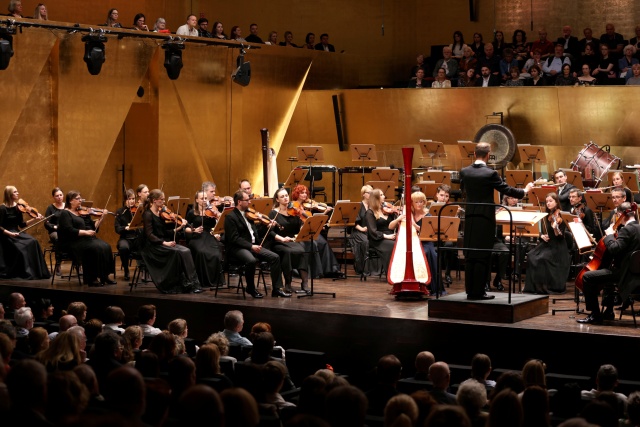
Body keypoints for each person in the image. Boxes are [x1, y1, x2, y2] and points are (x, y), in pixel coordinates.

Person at [461, 142, 532, 300]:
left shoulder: (464, 172)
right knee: (483, 255)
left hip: (470, 218)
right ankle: (478, 292)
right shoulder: (490, 173)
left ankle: (470, 290)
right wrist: (524, 191)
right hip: (485, 218)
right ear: (488, 155)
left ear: (474, 154)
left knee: (471, 255)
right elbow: (507, 190)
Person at [577, 202, 640, 324]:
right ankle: (608, 311)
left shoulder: (627, 230)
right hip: (635, 272)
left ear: (620, 214)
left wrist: (610, 236)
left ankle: (595, 314)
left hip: (624, 273)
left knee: (587, 277)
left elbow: (615, 249)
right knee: (606, 275)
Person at [224, 190, 289, 298]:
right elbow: (234, 239)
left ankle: (277, 289)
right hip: (238, 249)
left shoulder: (249, 215)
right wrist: (251, 246)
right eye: (247, 200)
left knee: (275, 257)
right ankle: (250, 288)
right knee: (251, 260)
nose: (249, 202)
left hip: (253, 246)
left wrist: (267, 226)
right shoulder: (231, 217)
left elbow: (257, 232)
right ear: (239, 202)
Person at [140, 189, 202, 294]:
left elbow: (165, 232)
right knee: (178, 252)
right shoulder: (148, 214)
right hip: (153, 246)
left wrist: (180, 227)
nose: (164, 202)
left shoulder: (160, 213)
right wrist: (165, 243)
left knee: (186, 250)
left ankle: (193, 283)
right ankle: (182, 283)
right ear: (154, 200)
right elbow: (149, 235)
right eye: (162, 200)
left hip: (162, 242)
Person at [58, 190, 114, 286]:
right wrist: (85, 232)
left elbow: (93, 227)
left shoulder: (84, 212)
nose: (80, 200)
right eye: (78, 199)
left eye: (81, 198)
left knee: (106, 246)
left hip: (87, 239)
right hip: (74, 241)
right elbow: (69, 231)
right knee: (94, 248)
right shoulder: (65, 214)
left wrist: (102, 218)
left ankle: (104, 276)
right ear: (70, 201)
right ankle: (92, 278)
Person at [524, 192, 571, 294]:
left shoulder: (561, 215)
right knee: (531, 255)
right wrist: (542, 236)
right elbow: (542, 231)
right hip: (548, 244)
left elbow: (560, 235)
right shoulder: (547, 215)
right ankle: (535, 287)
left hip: (558, 246)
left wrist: (555, 229)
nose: (548, 203)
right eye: (547, 202)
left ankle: (545, 287)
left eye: (550, 201)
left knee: (541, 258)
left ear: (556, 202)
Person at [291, 184, 341, 277]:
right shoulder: (293, 206)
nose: (305, 195)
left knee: (324, 243)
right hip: (300, 233)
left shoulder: (307, 209)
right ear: (297, 194)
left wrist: (325, 212)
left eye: (306, 193)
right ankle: (316, 271)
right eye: (302, 193)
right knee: (314, 244)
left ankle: (330, 269)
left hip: (310, 231)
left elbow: (311, 220)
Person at [0, 186, 50, 279]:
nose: (18, 193)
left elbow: (22, 225)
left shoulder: (18, 207)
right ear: (9, 195)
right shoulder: (2, 209)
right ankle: (25, 272)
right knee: (21, 247)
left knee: (33, 241)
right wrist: (10, 233)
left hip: (16, 232)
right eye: (15, 192)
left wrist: (34, 219)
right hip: (5, 235)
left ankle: (37, 272)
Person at [267, 188, 310, 294]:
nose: (285, 198)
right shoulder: (273, 213)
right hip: (278, 242)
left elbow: (297, 229)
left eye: (286, 195)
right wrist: (281, 238)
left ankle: (305, 283)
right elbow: (269, 232)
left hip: (291, 240)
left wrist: (303, 223)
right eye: (282, 196)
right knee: (288, 252)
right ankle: (288, 283)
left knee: (302, 251)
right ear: (277, 200)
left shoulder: (294, 212)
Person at [185, 190, 224, 289]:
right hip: (197, 237)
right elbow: (186, 228)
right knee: (201, 252)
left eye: (206, 198)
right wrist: (194, 230)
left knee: (216, 253)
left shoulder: (211, 211)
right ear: (197, 200)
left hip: (209, 235)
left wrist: (219, 216)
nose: (204, 200)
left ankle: (215, 281)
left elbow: (218, 225)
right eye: (202, 198)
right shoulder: (191, 212)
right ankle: (202, 281)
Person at [364, 188, 403, 275]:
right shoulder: (370, 213)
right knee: (393, 246)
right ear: (376, 198)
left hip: (391, 235)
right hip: (377, 239)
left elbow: (392, 225)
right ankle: (392, 274)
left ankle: (403, 272)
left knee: (403, 244)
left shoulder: (386, 210)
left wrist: (398, 217)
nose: (384, 196)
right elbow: (372, 232)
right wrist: (386, 236)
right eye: (381, 195)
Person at [410, 191, 439, 294]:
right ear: (412, 203)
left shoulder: (428, 215)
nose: (419, 204)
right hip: (413, 241)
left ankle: (427, 284)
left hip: (426, 242)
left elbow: (428, 233)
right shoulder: (409, 214)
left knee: (426, 253)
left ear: (424, 202)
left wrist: (415, 225)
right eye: (416, 202)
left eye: (421, 201)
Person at [114, 189, 141, 282]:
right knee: (123, 248)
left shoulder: (138, 210)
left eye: (133, 198)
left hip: (137, 237)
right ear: (125, 200)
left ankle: (146, 270)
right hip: (125, 238)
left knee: (147, 244)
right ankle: (126, 270)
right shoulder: (120, 212)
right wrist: (126, 227)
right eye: (130, 199)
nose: (132, 201)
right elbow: (117, 229)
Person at [351, 185, 373, 276]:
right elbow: (353, 221)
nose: (371, 194)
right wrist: (362, 229)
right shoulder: (358, 206)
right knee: (366, 242)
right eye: (369, 193)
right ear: (363, 194)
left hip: (370, 231)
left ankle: (376, 269)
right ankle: (364, 269)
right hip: (358, 231)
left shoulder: (373, 206)